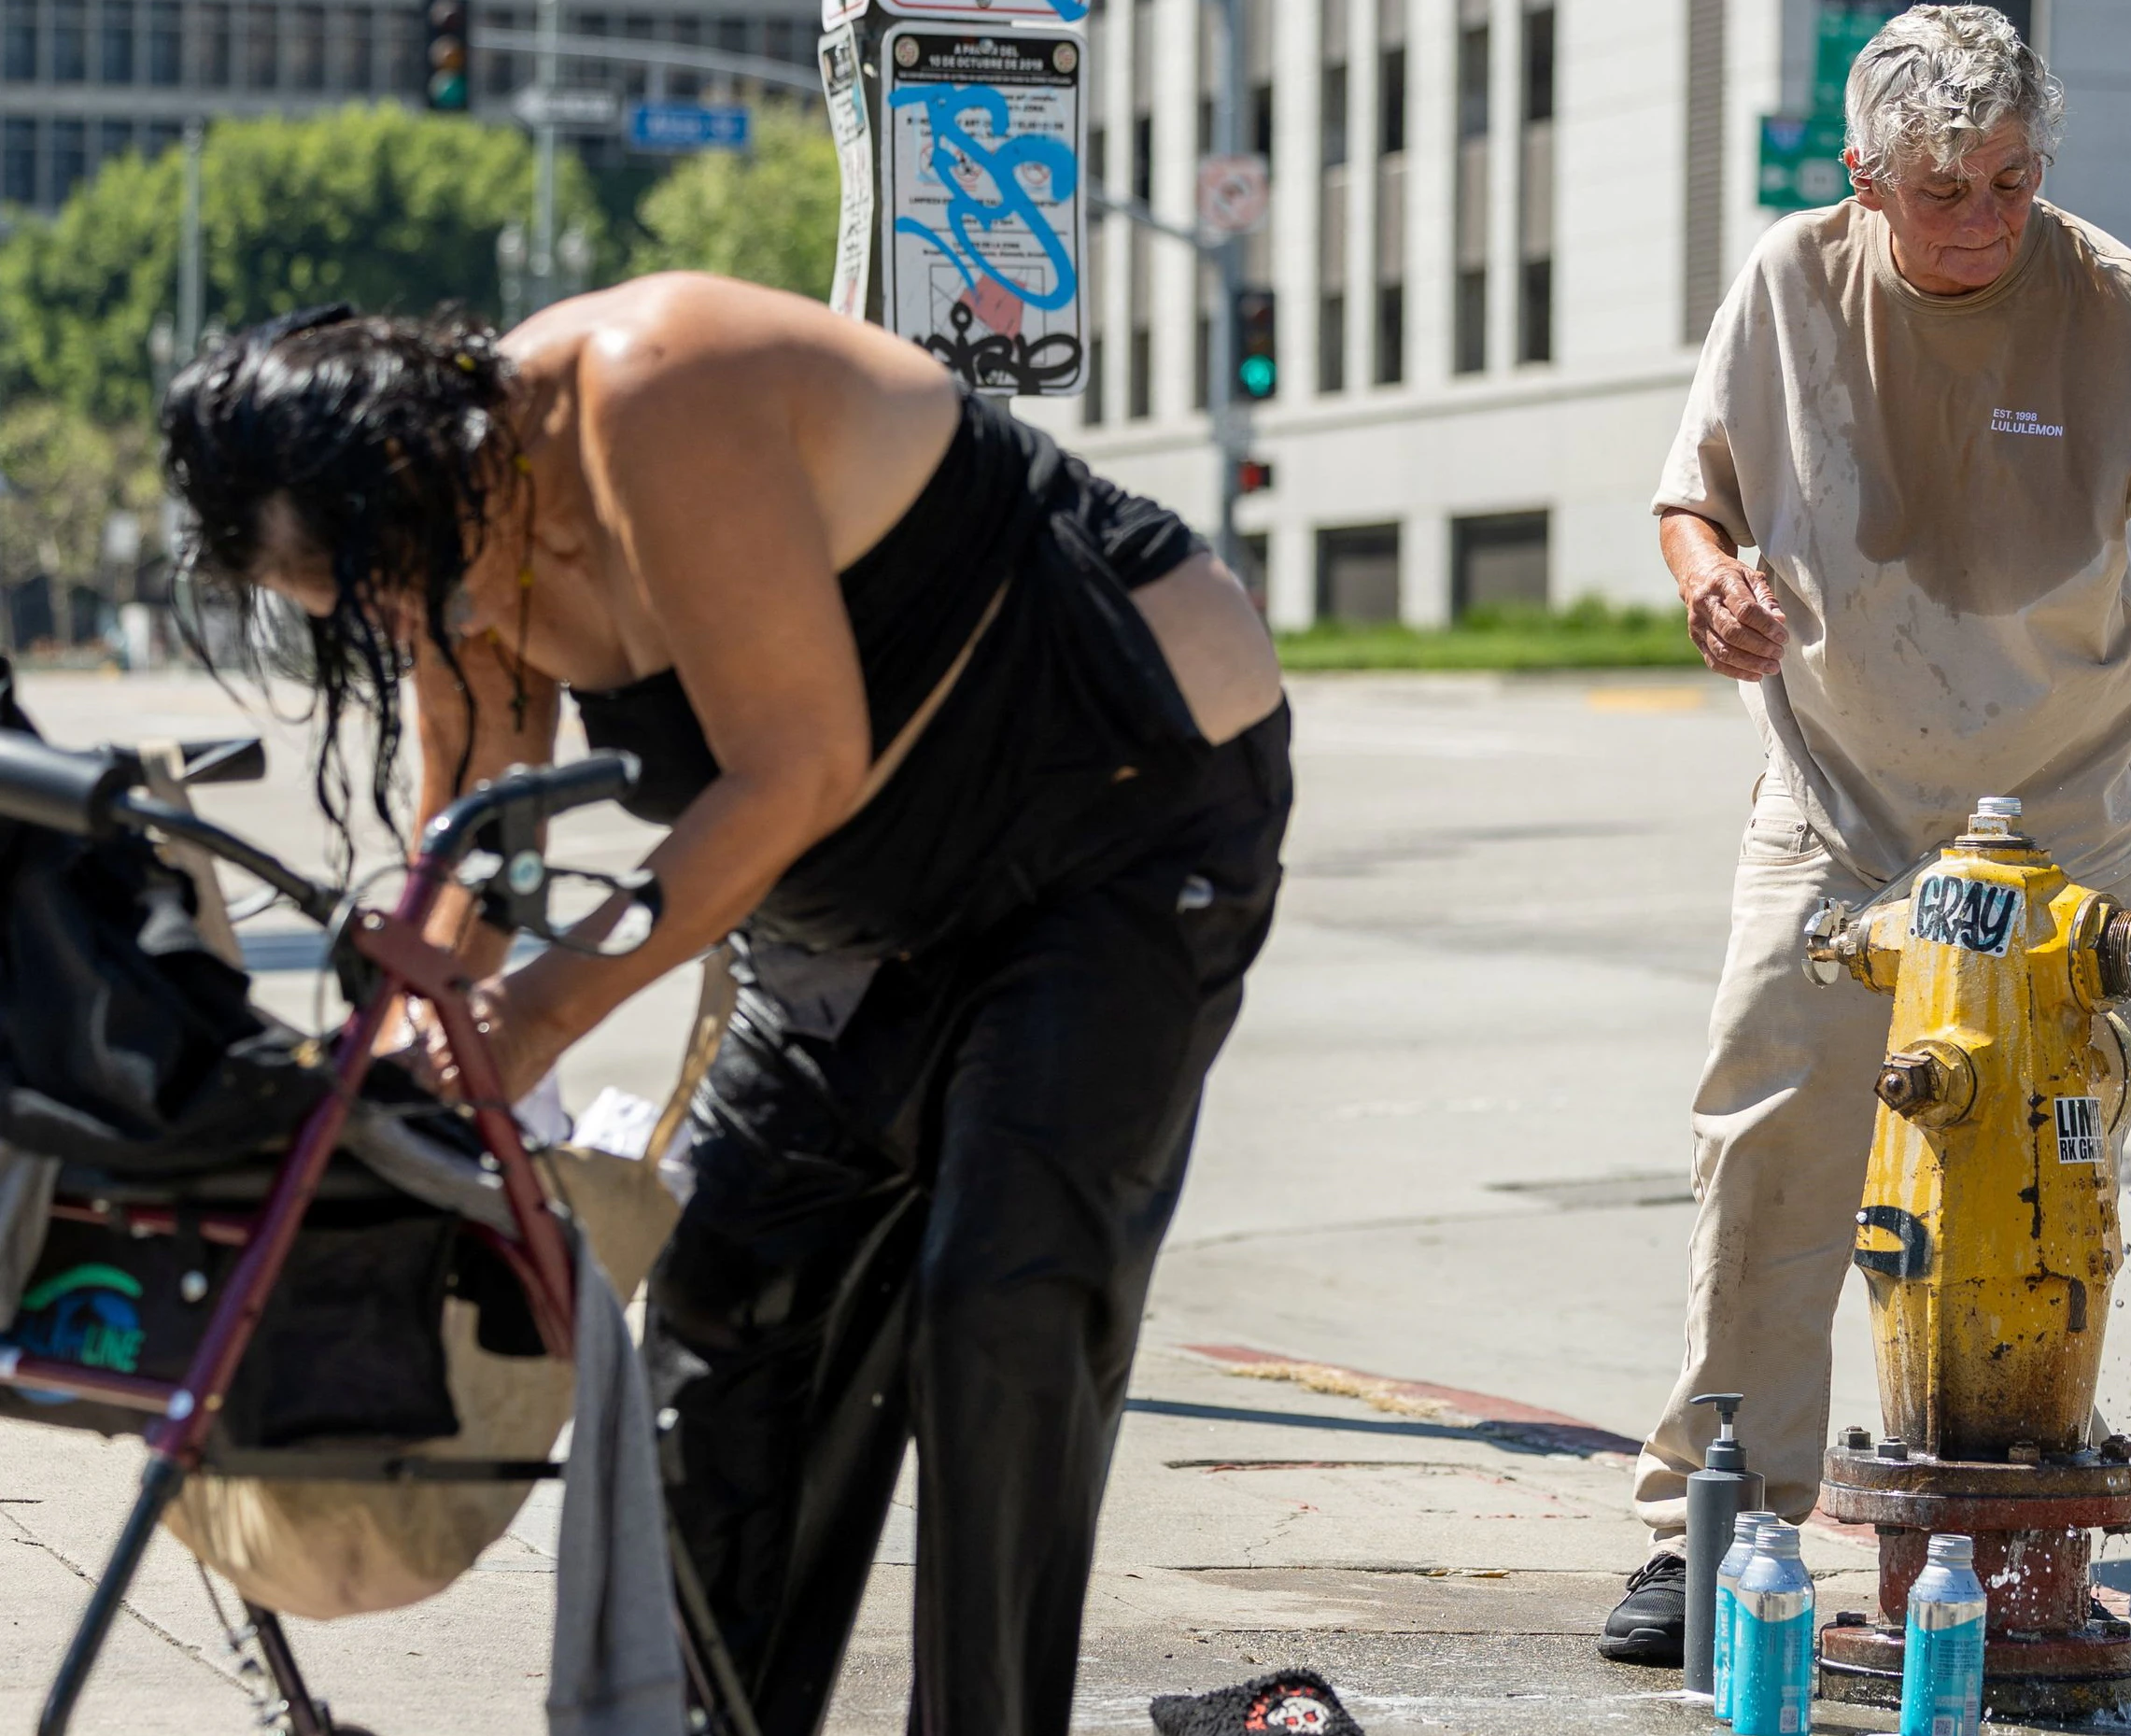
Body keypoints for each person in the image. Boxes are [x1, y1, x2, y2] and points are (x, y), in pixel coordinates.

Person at [158, 276, 1292, 1736]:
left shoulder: (647, 392)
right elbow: (484, 845)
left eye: (373, 579)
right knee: (728, 1306)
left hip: (1115, 821)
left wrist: (538, 1020)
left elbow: (794, 763)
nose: (387, 619)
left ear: (405, 471)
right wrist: (386, 1042)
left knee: (998, 1300)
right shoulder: (457, 545)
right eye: (347, 612)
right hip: (854, 908)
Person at [1602, 7, 2131, 1662]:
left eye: (2015, 178)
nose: (1990, 218)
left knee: (2034, 1195)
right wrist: (1707, 577)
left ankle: (2002, 1555)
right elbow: (1690, 489)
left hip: (2059, 838)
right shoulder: (1791, 284)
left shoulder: (2123, 311)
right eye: (1948, 190)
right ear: (1867, 179)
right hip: (1837, 807)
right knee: (1770, 1146)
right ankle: (1712, 1523)